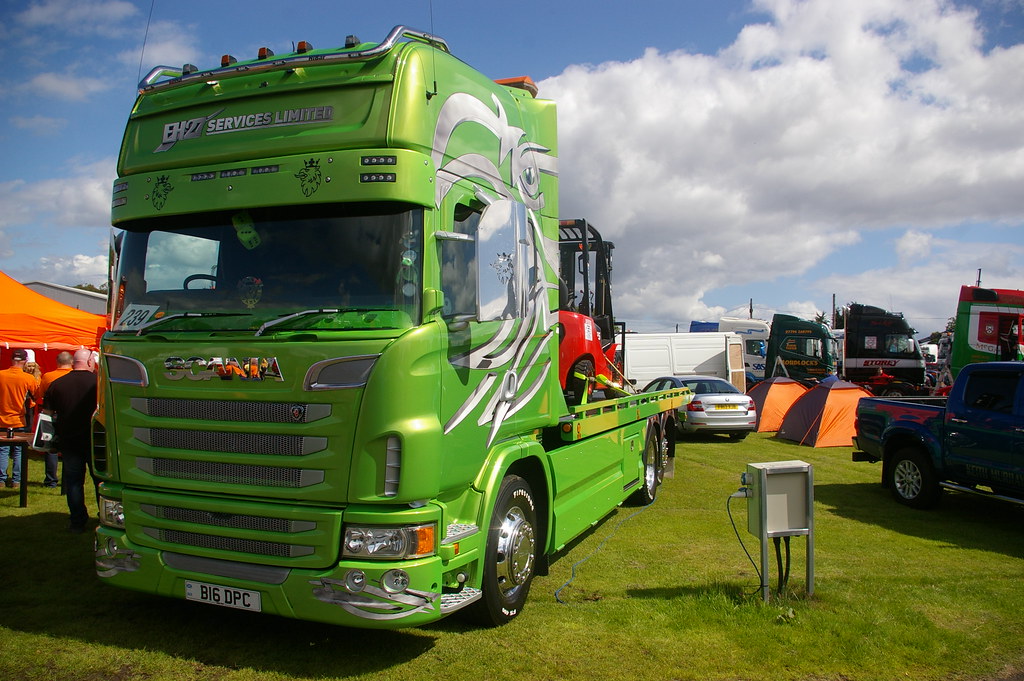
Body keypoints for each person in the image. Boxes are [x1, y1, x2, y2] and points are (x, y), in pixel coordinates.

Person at [42, 349, 97, 532]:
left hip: (69, 441)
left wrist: (48, 442)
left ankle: (77, 521)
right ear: (90, 361)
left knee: (74, 482)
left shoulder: (57, 384)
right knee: (100, 481)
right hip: (95, 441)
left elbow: (47, 416)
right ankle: (105, 517)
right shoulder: (98, 383)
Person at [1, 349, 40, 488]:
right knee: (19, 450)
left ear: (12, 359)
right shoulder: (27, 378)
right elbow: (36, 395)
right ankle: (17, 480)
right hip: (19, 419)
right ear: (24, 361)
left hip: (2, 419)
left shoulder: (1, 375)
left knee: (3, 450)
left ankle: (1, 479)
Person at [37, 351, 74, 488]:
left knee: (51, 447)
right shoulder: (74, 376)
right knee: (69, 449)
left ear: (57, 362)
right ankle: (67, 481)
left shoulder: (48, 376)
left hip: (52, 415)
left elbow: (40, 394)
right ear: (71, 362)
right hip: (70, 415)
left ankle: (51, 480)